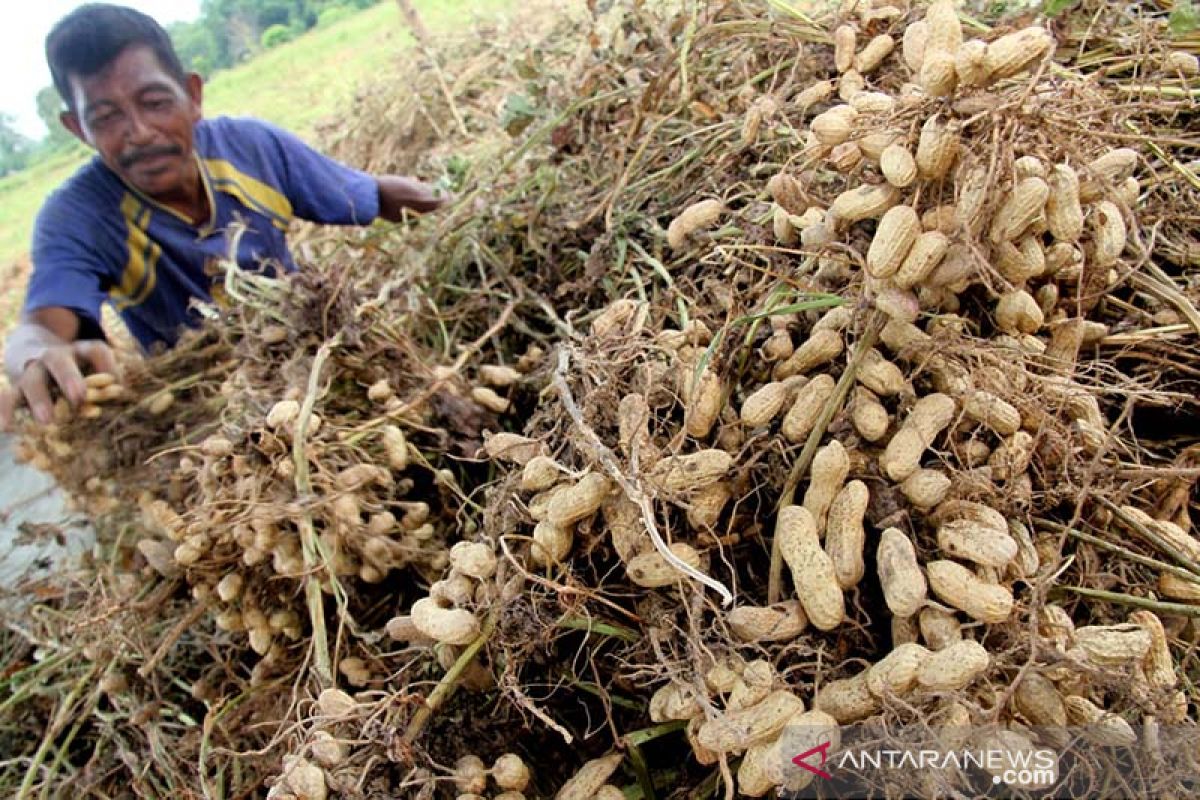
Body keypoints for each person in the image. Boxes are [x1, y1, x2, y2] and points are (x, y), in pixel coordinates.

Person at [0, 3, 448, 430]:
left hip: (319, 356)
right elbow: (42, 327)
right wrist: (33, 356)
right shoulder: (78, 217)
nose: (138, 133)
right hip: (209, 414)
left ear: (192, 95)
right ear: (78, 129)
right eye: (106, 118)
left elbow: (374, 194)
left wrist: (463, 198)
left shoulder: (253, 150)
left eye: (155, 102)